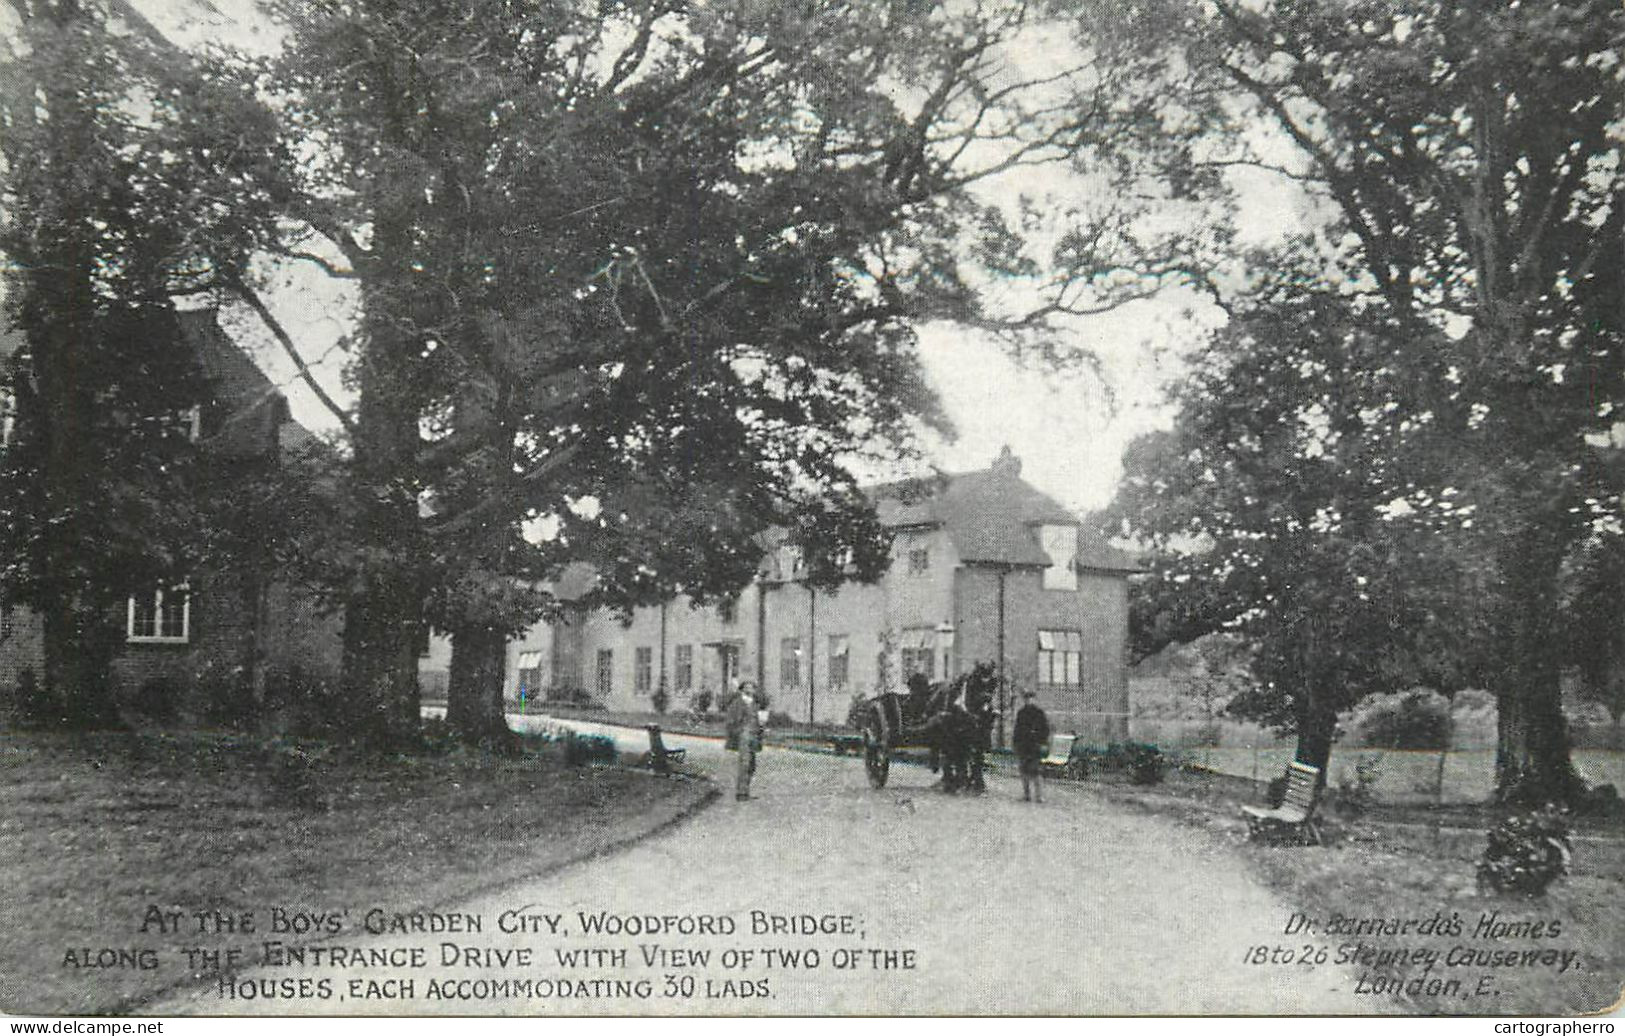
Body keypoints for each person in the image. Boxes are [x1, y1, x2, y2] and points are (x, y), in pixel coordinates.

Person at [725, 681, 765, 801]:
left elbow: (759, 721)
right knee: (744, 764)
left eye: (752, 688)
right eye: (747, 688)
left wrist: (761, 727)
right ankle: (741, 793)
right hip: (743, 736)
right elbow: (730, 722)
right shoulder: (736, 704)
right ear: (742, 690)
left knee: (752, 765)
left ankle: (745, 790)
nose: (750, 690)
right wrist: (739, 733)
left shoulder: (755, 704)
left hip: (754, 736)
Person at [1012, 689, 1051, 803]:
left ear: (1034, 699)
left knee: (1036, 771)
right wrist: (1016, 743)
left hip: (1035, 746)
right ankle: (1026, 794)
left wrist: (1042, 742)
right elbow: (1017, 730)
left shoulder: (1039, 713)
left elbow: (1045, 730)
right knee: (1023, 770)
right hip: (1023, 745)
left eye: (1031, 698)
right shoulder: (1021, 713)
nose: (1029, 701)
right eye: (1026, 699)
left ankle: (1039, 796)